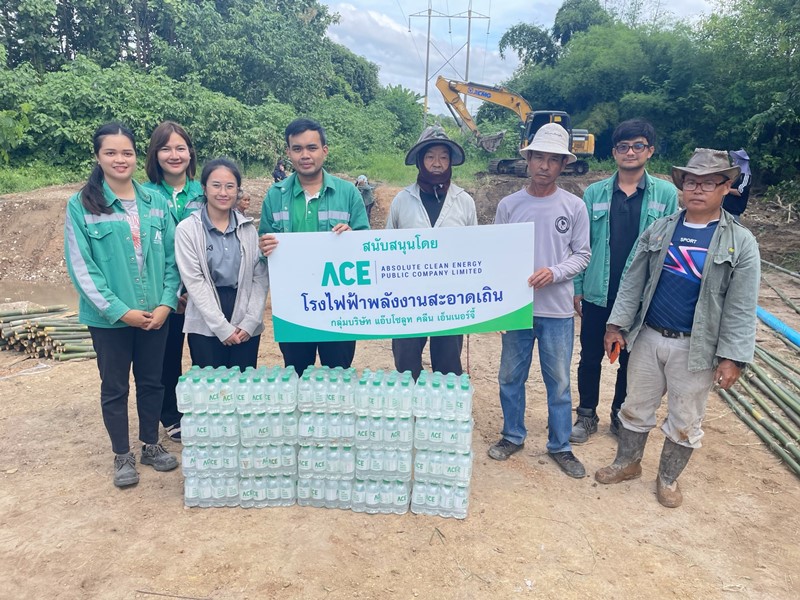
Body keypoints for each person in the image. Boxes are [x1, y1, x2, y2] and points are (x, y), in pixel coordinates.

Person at [597, 148, 760, 508]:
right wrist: (616, 325)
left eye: (708, 183)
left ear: (726, 187)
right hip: (649, 335)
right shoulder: (660, 229)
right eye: (691, 182)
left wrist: (732, 357)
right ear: (681, 186)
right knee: (635, 405)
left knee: (686, 418)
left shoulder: (740, 243)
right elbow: (633, 281)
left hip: (696, 346)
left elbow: (741, 306)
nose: (698, 189)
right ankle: (627, 463)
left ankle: (668, 478)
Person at [64, 122, 180, 488]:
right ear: (98, 156)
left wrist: (166, 303)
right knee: (114, 387)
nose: (120, 159)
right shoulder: (81, 205)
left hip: (155, 314)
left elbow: (173, 259)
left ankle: (150, 445)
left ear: (136, 155)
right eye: (111, 153)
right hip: (109, 320)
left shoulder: (155, 203)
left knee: (152, 382)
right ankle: (122, 455)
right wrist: (120, 311)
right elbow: (82, 269)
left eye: (127, 152)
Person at [488, 123, 591, 479]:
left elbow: (582, 255)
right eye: (539, 158)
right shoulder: (509, 205)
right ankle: (512, 435)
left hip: (557, 310)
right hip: (518, 308)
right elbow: (497, 255)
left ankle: (560, 445)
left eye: (553, 159)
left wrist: (555, 272)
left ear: (563, 165)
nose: (544, 166)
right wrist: (498, 307)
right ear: (528, 160)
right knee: (509, 377)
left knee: (558, 382)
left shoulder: (574, 206)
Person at [571, 119, 679, 443]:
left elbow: (669, 248)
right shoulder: (594, 193)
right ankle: (586, 415)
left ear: (650, 150)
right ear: (614, 152)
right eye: (623, 146)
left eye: (637, 146)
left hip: (640, 298)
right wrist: (578, 287)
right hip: (598, 292)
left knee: (630, 361)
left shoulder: (665, 194)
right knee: (590, 357)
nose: (630, 152)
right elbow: (581, 245)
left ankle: (619, 415)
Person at [258, 118, 369, 373]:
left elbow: (365, 246)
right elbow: (264, 247)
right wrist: (264, 247)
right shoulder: (275, 195)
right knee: (296, 373)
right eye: (297, 149)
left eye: (312, 148)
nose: (305, 155)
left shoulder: (348, 193)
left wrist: (353, 238)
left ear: (324, 151)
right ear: (288, 153)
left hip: (339, 306)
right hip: (293, 306)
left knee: (338, 375)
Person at [385, 125, 478, 379]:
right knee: (406, 365)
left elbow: (475, 252)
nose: (437, 163)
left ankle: (443, 404)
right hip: (407, 299)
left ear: (450, 162)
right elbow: (386, 251)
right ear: (419, 161)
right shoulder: (402, 200)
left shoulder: (464, 202)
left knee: (448, 366)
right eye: (430, 157)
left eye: (443, 157)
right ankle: (410, 403)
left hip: (451, 298)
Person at [175, 158, 269, 370]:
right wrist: (221, 327)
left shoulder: (248, 229)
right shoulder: (188, 229)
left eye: (230, 186)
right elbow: (194, 281)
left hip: (244, 313)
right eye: (216, 185)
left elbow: (259, 277)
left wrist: (250, 321)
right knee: (211, 384)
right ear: (204, 188)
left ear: (238, 190)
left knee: (243, 382)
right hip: (206, 316)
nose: (223, 192)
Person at [143, 120, 204, 443]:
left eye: (181, 148)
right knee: (166, 358)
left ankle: (202, 409)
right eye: (165, 148)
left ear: (190, 153)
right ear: (155, 154)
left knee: (204, 354)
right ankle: (170, 414)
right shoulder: (143, 195)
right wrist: (171, 293)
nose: (174, 155)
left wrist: (194, 290)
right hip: (162, 294)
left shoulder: (205, 192)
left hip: (201, 292)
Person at [722, 149, 752, 221]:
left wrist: (724, 188)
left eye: (734, 161)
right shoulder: (734, 175)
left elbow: (739, 192)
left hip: (734, 209)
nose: (733, 163)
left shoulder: (745, 176)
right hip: (725, 207)